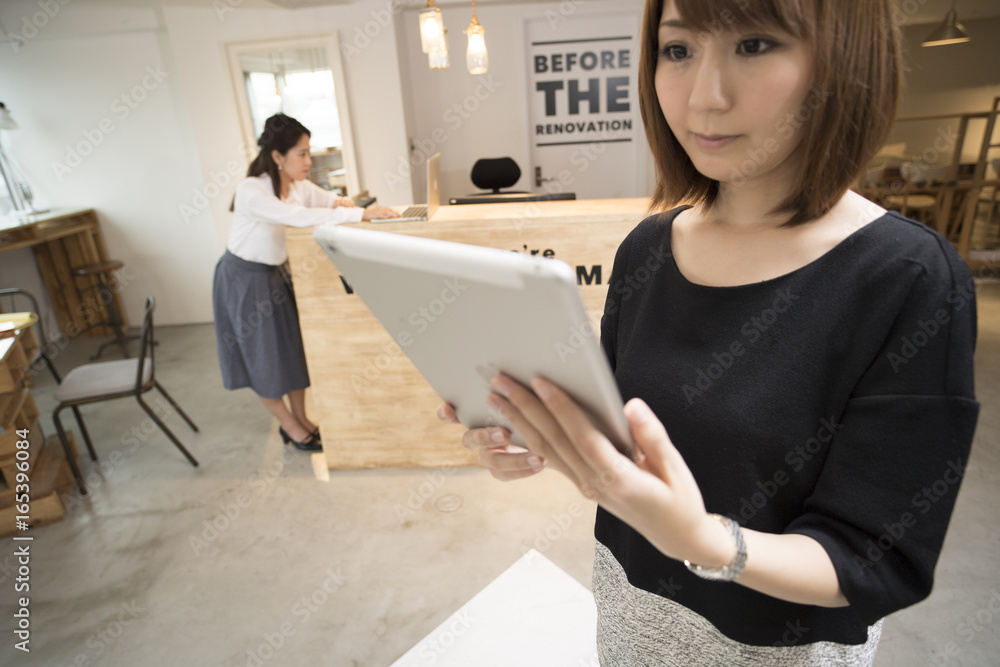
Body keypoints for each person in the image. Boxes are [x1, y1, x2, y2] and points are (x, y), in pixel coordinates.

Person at [437, 0, 979, 664]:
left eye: (754, 45)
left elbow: (873, 557)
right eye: (678, 50)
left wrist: (704, 540)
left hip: (778, 644)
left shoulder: (908, 277)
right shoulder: (648, 249)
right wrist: (532, 430)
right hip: (633, 609)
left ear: (844, 59)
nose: (704, 97)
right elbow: (622, 429)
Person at [214, 113, 398, 451]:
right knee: (264, 360)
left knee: (291, 353)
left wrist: (344, 203)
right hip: (243, 280)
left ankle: (302, 419)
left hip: (274, 276)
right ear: (277, 157)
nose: (308, 161)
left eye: (308, 152)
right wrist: (360, 213)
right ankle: (289, 425)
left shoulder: (297, 187)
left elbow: (326, 201)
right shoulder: (251, 190)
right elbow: (297, 218)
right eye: (302, 154)